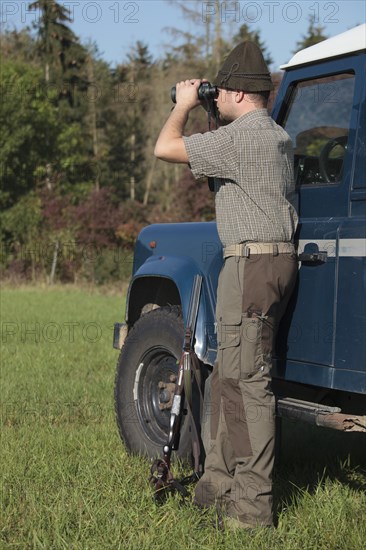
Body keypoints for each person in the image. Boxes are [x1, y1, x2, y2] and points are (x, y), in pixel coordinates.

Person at [154, 42, 298, 530]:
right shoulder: (276, 136)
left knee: (249, 387)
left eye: (220, 92)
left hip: (251, 269)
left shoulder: (240, 140)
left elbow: (165, 147)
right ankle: (216, 487)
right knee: (228, 381)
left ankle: (253, 510)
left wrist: (183, 105)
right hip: (271, 265)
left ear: (236, 92)